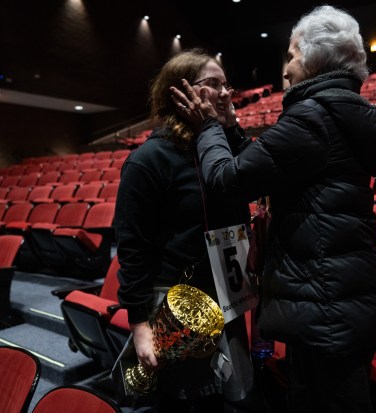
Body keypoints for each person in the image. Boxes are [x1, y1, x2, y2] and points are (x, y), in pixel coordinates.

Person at [171, 5, 376, 413]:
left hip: (321, 300)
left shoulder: (312, 118)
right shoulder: (352, 115)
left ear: (313, 58)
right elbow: (275, 166)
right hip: (343, 296)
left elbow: (226, 180)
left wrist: (208, 127)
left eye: (291, 55)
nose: (286, 69)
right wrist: (233, 130)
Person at [114, 48, 253, 412]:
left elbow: (248, 183)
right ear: (180, 92)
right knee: (185, 400)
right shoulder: (149, 160)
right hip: (179, 304)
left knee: (228, 396)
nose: (226, 93)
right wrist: (139, 325)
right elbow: (132, 247)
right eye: (213, 85)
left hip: (227, 290)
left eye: (227, 86)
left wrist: (230, 127)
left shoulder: (221, 149)